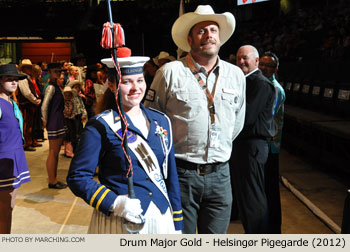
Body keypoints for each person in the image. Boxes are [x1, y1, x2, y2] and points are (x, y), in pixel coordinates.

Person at [144, 5, 246, 234]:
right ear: (189, 40)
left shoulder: (236, 75)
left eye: (213, 30)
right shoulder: (169, 72)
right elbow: (151, 120)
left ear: (220, 38)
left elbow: (237, 122)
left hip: (221, 175)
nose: (209, 35)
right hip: (181, 175)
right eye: (202, 31)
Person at [67, 49, 184, 234]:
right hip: (120, 219)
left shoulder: (161, 121)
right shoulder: (99, 126)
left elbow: (170, 176)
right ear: (112, 85)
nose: (135, 88)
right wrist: (115, 203)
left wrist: (177, 223)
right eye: (126, 82)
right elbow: (78, 177)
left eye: (140, 80)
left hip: (161, 218)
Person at [231, 45, 277, 233]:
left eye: (246, 58)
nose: (241, 61)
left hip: (252, 146)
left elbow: (247, 117)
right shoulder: (244, 81)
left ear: (256, 61)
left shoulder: (260, 83)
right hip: (243, 146)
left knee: (253, 199)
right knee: (245, 199)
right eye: (239, 58)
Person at [0, 64, 31, 233]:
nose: (14, 82)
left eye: (16, 80)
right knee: (4, 210)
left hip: (15, 156)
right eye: (9, 79)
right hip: (4, 160)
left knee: (10, 205)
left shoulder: (10, 102)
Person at [259, 51, 286, 234]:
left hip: (271, 146)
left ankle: (273, 230)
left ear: (275, 69)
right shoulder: (264, 85)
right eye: (261, 64)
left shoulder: (275, 89)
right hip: (264, 144)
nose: (263, 68)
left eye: (268, 66)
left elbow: (266, 115)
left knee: (271, 189)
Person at [41, 62, 67, 189]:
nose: (58, 73)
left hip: (57, 120)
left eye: (59, 71)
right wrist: (45, 120)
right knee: (53, 151)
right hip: (54, 121)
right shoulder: (51, 87)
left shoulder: (55, 86)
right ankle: (52, 180)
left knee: (55, 152)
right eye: (55, 71)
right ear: (50, 72)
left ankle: (54, 178)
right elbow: (44, 105)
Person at [17, 59, 42, 151]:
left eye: (30, 67)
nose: (30, 69)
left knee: (31, 124)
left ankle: (31, 141)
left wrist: (36, 99)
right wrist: (35, 100)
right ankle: (27, 143)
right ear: (23, 68)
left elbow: (31, 91)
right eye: (27, 67)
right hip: (26, 104)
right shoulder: (22, 78)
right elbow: (26, 93)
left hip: (30, 104)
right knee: (27, 125)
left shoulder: (26, 77)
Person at [63, 86, 76, 158]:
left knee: (71, 135)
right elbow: (64, 112)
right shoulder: (63, 103)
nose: (68, 97)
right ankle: (68, 151)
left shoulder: (72, 103)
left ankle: (68, 150)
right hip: (65, 120)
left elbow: (73, 111)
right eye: (66, 95)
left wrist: (72, 116)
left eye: (69, 95)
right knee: (67, 135)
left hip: (70, 120)